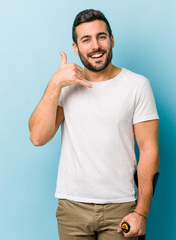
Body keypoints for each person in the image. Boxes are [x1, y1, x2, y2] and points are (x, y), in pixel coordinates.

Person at [28, 9, 159, 240]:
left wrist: (141, 212)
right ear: (76, 48)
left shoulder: (137, 86)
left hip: (120, 208)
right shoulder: (65, 86)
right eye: (86, 40)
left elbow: (149, 150)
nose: (95, 46)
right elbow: (38, 137)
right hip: (72, 209)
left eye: (101, 36)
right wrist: (55, 82)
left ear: (112, 40)